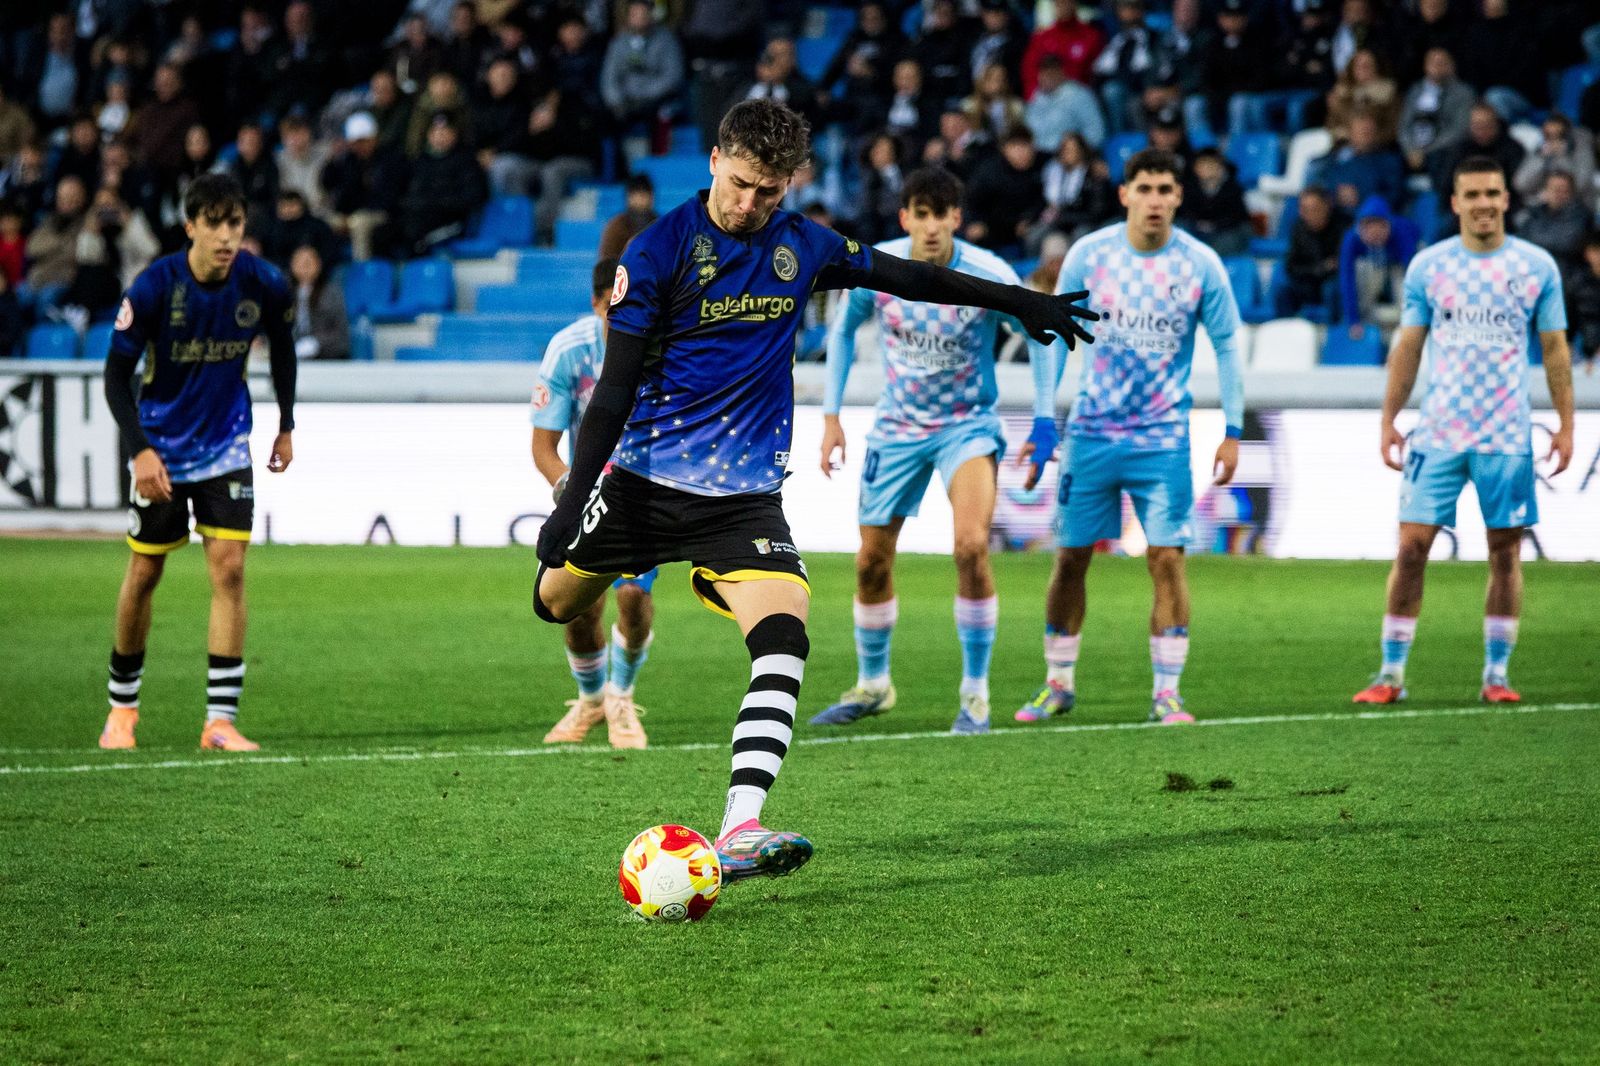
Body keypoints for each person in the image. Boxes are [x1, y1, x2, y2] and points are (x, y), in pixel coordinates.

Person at [531, 99, 1097, 884]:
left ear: (791, 183)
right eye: (739, 184)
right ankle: (615, 663)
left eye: (769, 191)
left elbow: (911, 277)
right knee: (554, 603)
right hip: (640, 488)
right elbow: (615, 392)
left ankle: (740, 826)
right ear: (714, 163)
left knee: (786, 636)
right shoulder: (656, 252)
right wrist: (570, 504)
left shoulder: (803, 244)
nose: (750, 204)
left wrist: (1020, 301)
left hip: (742, 502)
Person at [809, 166, 1058, 735]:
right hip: (897, 426)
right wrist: (831, 416)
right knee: (871, 562)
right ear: (905, 218)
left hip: (966, 428)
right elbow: (842, 332)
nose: (929, 227)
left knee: (970, 548)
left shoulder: (988, 274)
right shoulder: (878, 268)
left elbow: (1041, 334)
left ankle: (975, 695)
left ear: (955, 219)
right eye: (919, 215)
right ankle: (874, 685)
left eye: (939, 215)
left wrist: (1045, 419)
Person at [1016, 148, 1244, 726]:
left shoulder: (1201, 265)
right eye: (1144, 188)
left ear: (1179, 197)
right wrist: (1043, 419)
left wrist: (1233, 429)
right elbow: (1052, 336)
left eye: (1165, 190)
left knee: (1166, 558)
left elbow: (1227, 346)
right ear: (1124, 195)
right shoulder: (1089, 256)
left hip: (1162, 439)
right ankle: (1057, 683)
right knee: (1071, 557)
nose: (1155, 200)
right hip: (1090, 434)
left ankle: (1167, 693)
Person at [1353, 156, 1574, 705]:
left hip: (1506, 435)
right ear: (1454, 203)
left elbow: (1554, 349)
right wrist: (1388, 419)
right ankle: (1390, 674)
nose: (1483, 204)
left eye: (1491, 193)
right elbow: (1409, 346)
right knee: (1411, 549)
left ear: (1506, 200)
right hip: (1438, 434)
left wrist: (1566, 425)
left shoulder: (1536, 267)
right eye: (1472, 195)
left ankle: (1496, 676)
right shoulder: (1430, 267)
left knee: (1505, 553)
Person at [98, 173, 298, 752]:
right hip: (161, 449)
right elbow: (115, 376)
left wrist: (286, 424)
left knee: (230, 569)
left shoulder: (264, 283)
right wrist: (139, 449)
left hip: (226, 445)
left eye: (235, 223)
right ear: (190, 226)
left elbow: (283, 350)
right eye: (214, 224)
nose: (226, 236)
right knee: (144, 572)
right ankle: (122, 710)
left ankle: (219, 722)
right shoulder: (154, 287)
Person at [532, 258, 656, 750]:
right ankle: (590, 700)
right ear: (596, 303)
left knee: (633, 597)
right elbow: (544, 448)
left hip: (646, 488)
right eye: (611, 308)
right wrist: (573, 494)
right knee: (578, 609)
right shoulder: (569, 350)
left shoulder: (662, 346)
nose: (620, 318)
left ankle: (621, 696)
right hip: (584, 491)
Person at [288, 244, 348, 360]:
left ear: (318, 265)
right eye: (299, 262)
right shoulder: (286, 293)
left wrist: (316, 343)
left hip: (327, 358)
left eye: (308, 263)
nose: (304, 267)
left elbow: (341, 333)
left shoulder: (331, 293)